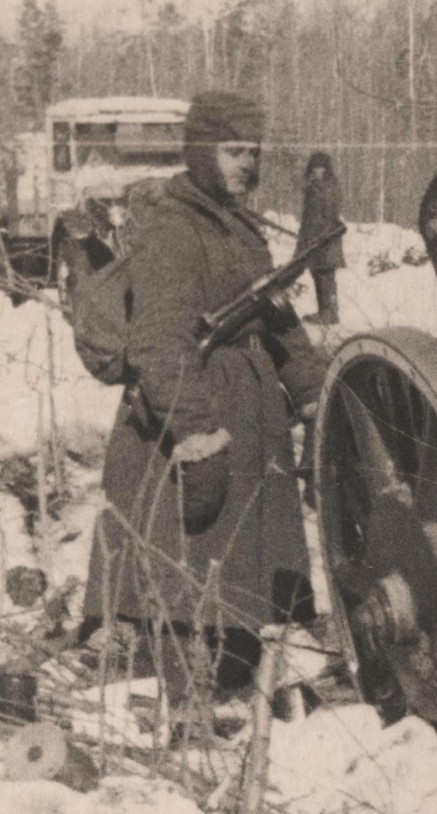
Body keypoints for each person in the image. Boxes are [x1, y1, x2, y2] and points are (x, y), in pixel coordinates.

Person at [82, 91, 326, 707]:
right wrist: (196, 433)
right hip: (191, 421)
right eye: (233, 150)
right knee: (187, 569)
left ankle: (231, 692)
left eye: (253, 151)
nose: (247, 164)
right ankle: (186, 709)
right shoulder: (173, 227)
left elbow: (277, 318)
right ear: (200, 151)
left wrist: (313, 389)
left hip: (244, 416)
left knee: (238, 570)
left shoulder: (237, 226)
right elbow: (159, 345)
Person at [296, 151, 345, 325]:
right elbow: (307, 218)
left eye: (321, 168)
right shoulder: (312, 187)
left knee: (326, 275)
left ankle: (330, 313)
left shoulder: (329, 187)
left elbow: (331, 215)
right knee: (317, 273)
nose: (317, 171)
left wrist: (322, 237)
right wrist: (303, 243)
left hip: (326, 239)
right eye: (315, 168)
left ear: (326, 169)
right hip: (313, 239)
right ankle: (324, 311)